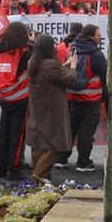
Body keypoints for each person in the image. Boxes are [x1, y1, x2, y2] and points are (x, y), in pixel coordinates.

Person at [25, 33, 76, 184]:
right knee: (57, 143)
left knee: (40, 144)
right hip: (52, 108)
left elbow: (53, 73)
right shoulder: (49, 64)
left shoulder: (32, 61)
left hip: (37, 107)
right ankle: (39, 173)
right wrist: (73, 67)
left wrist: (64, 65)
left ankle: (43, 179)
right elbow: (69, 80)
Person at [0, 21, 31, 180]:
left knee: (4, 134)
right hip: (20, 98)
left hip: (5, 97)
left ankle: (0, 166)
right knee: (17, 136)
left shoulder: (0, 51)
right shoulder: (24, 53)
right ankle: (13, 169)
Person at [65, 24, 107, 172]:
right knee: (86, 132)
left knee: (70, 128)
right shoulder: (97, 55)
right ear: (90, 37)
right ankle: (83, 163)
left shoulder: (72, 50)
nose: (100, 37)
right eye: (97, 34)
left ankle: (61, 159)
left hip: (72, 97)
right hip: (91, 99)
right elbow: (105, 76)